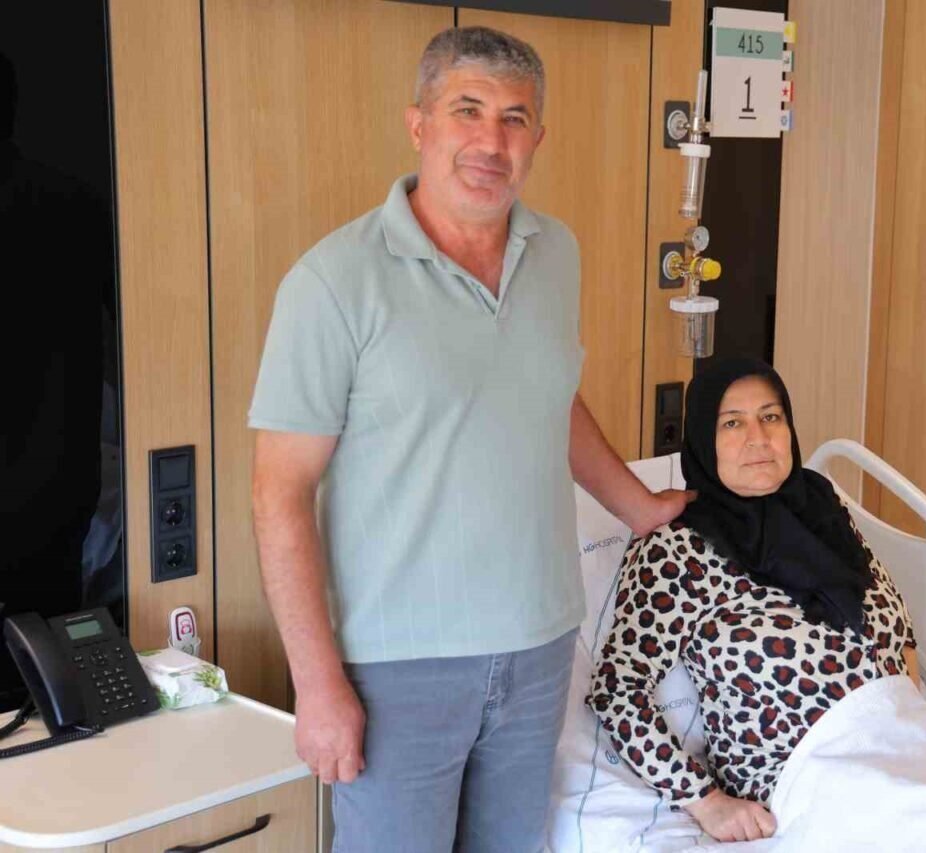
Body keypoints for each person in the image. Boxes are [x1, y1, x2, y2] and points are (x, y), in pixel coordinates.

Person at [249, 27, 691, 853]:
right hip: (397, 668)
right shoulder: (332, 283)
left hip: (539, 644)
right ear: (419, 123)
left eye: (514, 118)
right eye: (468, 110)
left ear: (538, 138)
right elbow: (279, 492)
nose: (492, 141)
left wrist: (639, 505)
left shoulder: (555, 253)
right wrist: (317, 683)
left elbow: (546, 395)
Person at [588, 357, 917, 844]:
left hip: (906, 745)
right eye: (732, 423)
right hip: (803, 778)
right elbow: (617, 690)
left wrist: (917, 726)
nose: (758, 437)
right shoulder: (678, 548)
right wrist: (706, 801)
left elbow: (897, 626)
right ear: (704, 440)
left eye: (771, 416)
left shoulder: (822, 509)